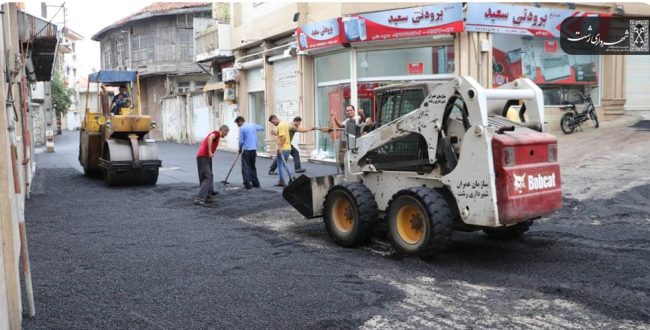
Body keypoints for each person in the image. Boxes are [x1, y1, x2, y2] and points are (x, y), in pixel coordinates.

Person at [194, 125, 230, 206]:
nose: (226, 135)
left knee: (209, 176)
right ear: (223, 131)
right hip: (203, 156)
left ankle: (209, 194)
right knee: (208, 176)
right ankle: (200, 198)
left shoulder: (217, 136)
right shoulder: (216, 133)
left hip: (205, 157)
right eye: (226, 132)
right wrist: (210, 152)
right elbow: (210, 138)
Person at [235, 116, 264, 189]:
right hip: (254, 150)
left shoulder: (242, 128)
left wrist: (239, 149)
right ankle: (255, 183)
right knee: (252, 166)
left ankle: (247, 184)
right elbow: (262, 128)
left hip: (246, 150)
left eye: (237, 123)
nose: (237, 125)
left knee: (245, 167)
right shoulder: (253, 125)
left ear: (240, 121)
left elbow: (241, 141)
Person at [268, 115, 293, 187]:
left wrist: (280, 147)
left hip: (283, 148)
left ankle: (282, 181)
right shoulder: (284, 124)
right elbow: (282, 135)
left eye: (273, 122)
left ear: (275, 119)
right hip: (288, 148)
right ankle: (291, 178)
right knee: (284, 165)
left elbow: (284, 137)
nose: (273, 124)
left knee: (280, 165)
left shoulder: (280, 126)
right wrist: (275, 134)